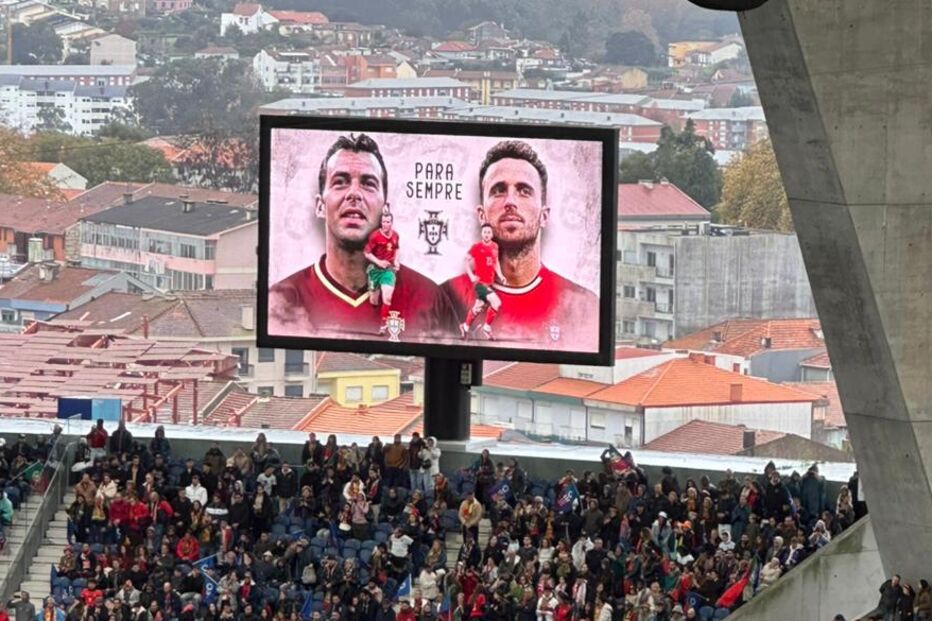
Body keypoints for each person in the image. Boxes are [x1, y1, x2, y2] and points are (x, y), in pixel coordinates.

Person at [269, 132, 456, 340]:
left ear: (385, 209)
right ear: (320, 206)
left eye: (368, 183)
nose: (354, 194)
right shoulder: (281, 300)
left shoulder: (430, 299)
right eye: (340, 182)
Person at [442, 139, 599, 347]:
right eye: (498, 190)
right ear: (481, 214)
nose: (510, 202)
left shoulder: (584, 307)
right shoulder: (445, 298)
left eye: (524, 191)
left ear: (544, 216)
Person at [458, 222, 506, 340]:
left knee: (478, 307)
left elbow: (496, 263)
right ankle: (487, 328)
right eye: (485, 232)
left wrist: (501, 275)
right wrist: (471, 276)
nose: (486, 234)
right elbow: (465, 260)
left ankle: (465, 326)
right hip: (480, 284)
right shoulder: (477, 247)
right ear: (481, 233)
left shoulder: (495, 246)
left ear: (492, 234)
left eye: (489, 232)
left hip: (489, 283)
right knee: (496, 302)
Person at [363, 211, 401, 335]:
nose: (386, 224)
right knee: (374, 301)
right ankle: (373, 290)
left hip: (388, 270)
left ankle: (383, 326)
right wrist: (378, 262)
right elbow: (366, 253)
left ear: (391, 223)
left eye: (388, 222)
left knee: (387, 298)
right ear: (381, 223)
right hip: (375, 270)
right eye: (384, 222)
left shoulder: (395, 236)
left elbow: (397, 248)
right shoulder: (375, 236)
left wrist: (396, 261)